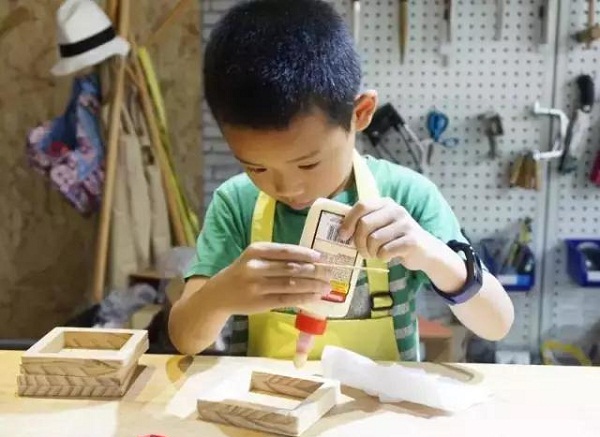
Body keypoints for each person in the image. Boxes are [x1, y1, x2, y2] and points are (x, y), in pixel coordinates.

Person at [168, 0, 514, 361]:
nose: (287, 189)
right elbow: (184, 339)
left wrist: (429, 254)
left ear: (360, 114)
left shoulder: (406, 196)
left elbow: (497, 324)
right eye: (257, 168)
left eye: (308, 164)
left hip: (377, 409)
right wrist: (219, 295)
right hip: (268, 408)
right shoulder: (237, 204)